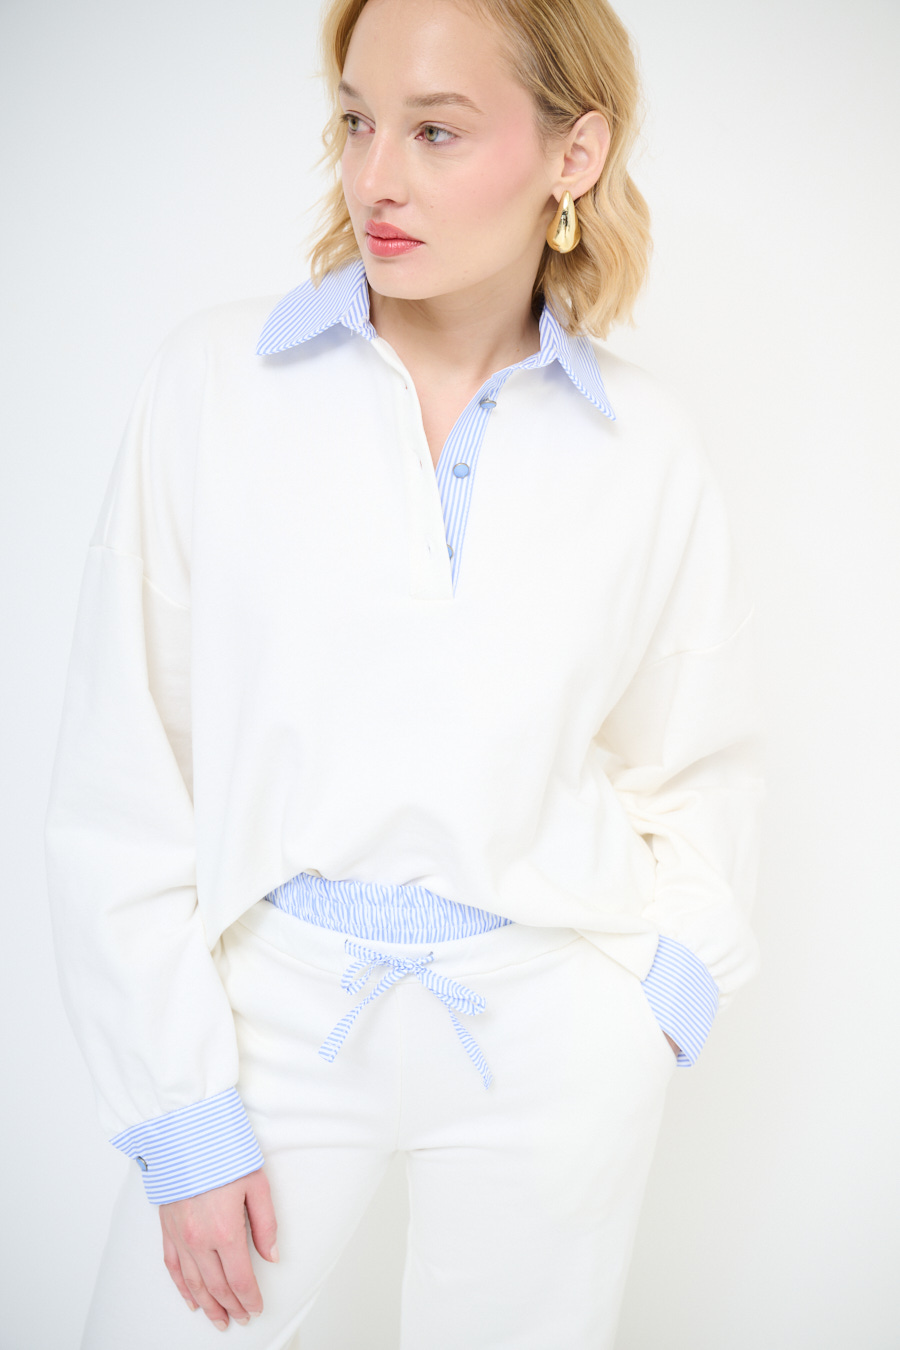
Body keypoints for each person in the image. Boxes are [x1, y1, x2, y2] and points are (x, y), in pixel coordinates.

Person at [44, 0, 764, 1345]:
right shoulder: (218, 382)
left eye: (436, 131)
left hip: (554, 1033)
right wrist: (179, 1109)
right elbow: (121, 764)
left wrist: (663, 999)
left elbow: (697, 760)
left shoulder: (648, 446)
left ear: (574, 153)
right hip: (266, 1015)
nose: (375, 175)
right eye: (357, 121)